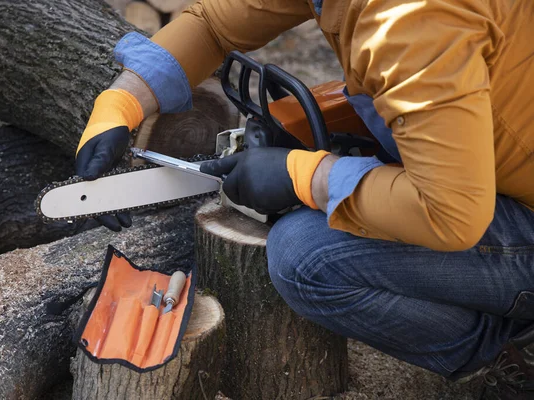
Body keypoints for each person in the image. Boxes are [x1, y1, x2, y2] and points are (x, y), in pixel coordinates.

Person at [74, 0, 534, 397]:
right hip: (493, 167)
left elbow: (452, 212)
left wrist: (304, 176)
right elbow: (215, 22)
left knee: (303, 256)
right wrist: (123, 101)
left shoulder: (409, 19)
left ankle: (511, 344)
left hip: (491, 206)